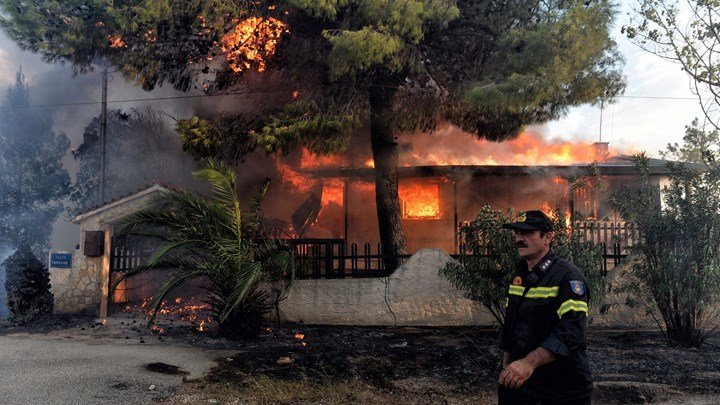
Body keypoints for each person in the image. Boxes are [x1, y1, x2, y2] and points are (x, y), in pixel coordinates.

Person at [498, 210, 593, 405]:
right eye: (517, 233)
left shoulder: (567, 277)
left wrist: (528, 363)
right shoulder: (519, 277)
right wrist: (506, 363)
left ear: (548, 237)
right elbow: (512, 323)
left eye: (527, 233)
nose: (519, 239)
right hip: (520, 385)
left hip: (561, 389)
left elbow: (572, 331)